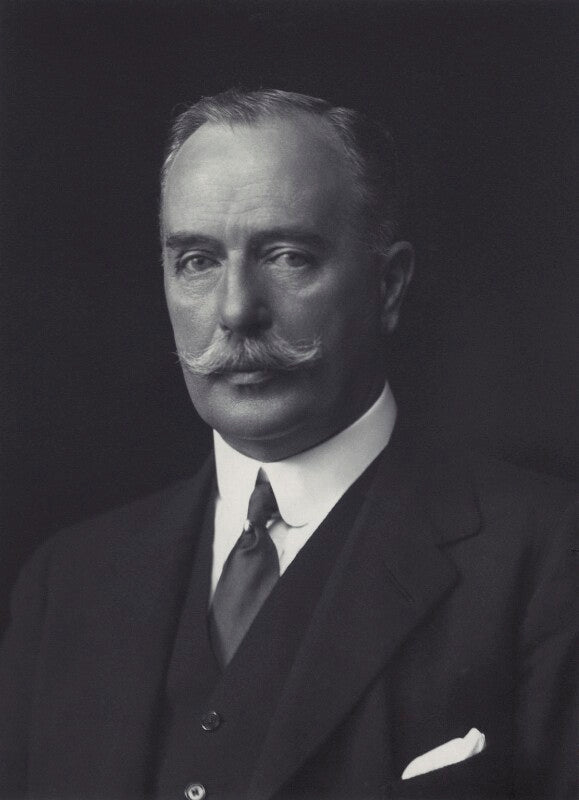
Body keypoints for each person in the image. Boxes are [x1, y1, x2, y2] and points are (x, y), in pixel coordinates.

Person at [0, 89, 576, 800]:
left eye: (287, 256)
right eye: (197, 261)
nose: (236, 310)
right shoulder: (65, 585)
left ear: (388, 285)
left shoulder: (548, 559)